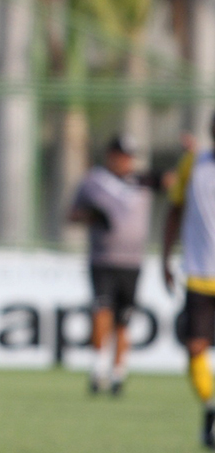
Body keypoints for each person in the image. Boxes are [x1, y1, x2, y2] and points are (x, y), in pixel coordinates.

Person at [68, 134, 157, 396]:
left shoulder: (141, 181)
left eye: (129, 157)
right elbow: (73, 214)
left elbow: (172, 183)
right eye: (121, 156)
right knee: (102, 311)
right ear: (110, 155)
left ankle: (118, 373)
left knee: (124, 320)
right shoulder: (94, 181)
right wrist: (93, 216)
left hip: (133, 261)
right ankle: (99, 369)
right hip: (104, 259)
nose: (126, 161)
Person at [163, 114, 215, 449]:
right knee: (195, 348)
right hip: (199, 274)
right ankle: (211, 406)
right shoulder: (193, 164)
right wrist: (164, 258)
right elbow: (174, 210)